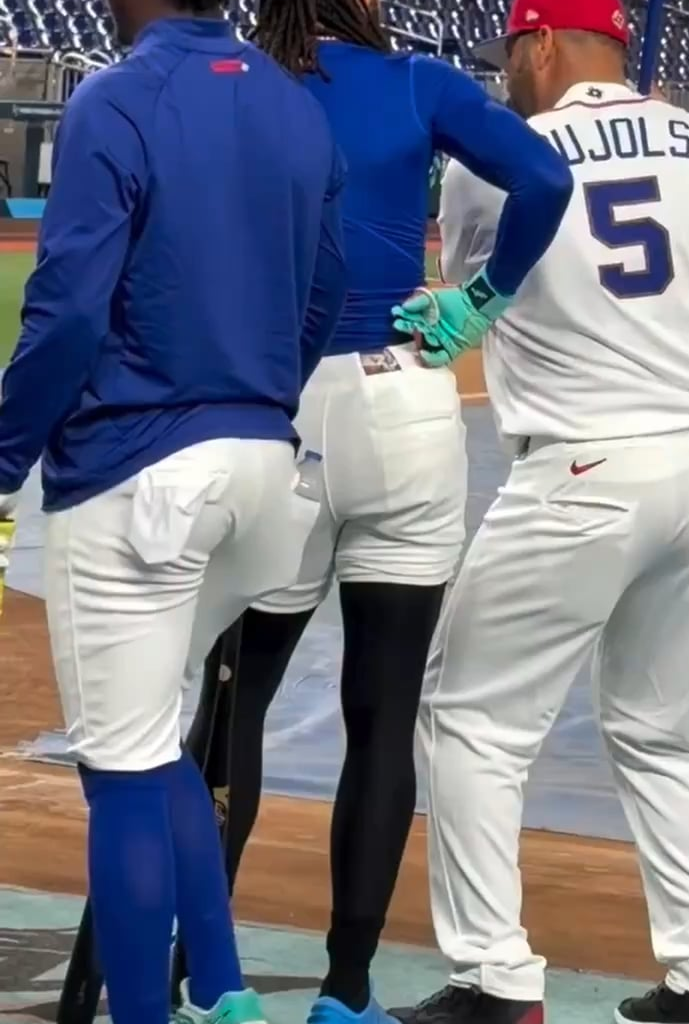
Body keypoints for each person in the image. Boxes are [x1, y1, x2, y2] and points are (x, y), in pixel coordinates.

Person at [390, 0, 689, 1022]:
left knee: (470, 722)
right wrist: (679, 154)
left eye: (510, 50)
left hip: (582, 469)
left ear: (543, 44)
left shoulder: (492, 160)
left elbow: (468, 294)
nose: (504, 71)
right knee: (660, 732)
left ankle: (495, 977)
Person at [182, 2, 573, 1023]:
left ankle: (209, 968)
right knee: (383, 712)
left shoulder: (239, 82)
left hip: (282, 396)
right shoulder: (417, 86)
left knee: (238, 698)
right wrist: (482, 300)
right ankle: (346, 989)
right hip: (405, 398)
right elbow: (546, 178)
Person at [0, 0, 348, 1021]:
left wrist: (5, 452)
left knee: (119, 773)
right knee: (157, 741)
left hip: (141, 476)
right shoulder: (295, 107)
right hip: (261, 470)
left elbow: (66, 309)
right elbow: (322, 290)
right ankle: (228, 993)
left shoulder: (117, 98)